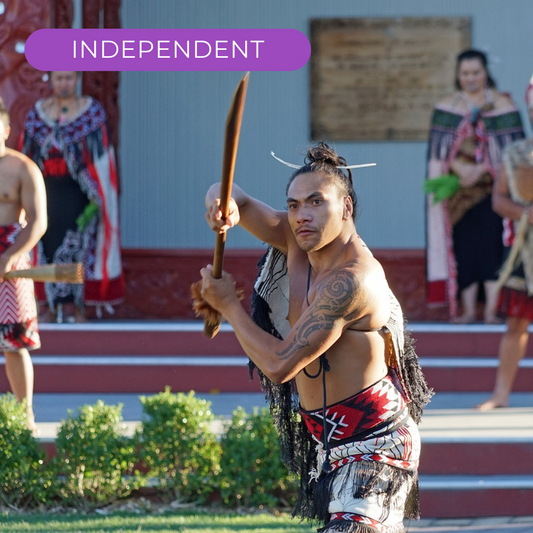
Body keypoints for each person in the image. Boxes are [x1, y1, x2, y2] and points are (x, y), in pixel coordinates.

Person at [198, 143, 432, 532]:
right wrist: (222, 203)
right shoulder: (297, 240)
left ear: (346, 208)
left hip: (377, 444)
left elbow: (278, 365)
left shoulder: (352, 280)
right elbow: (230, 193)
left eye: (315, 202)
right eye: (292, 205)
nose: (301, 216)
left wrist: (229, 307)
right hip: (331, 444)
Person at [426, 49, 525, 323]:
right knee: (465, 250)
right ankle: (468, 311)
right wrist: (460, 168)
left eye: (476, 73)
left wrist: (482, 168)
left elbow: (514, 150)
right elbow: (438, 153)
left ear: (485, 73)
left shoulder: (503, 105)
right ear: (458, 76)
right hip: (457, 193)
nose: (470, 78)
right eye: (465, 73)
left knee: (492, 248)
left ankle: (492, 311)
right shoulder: (447, 106)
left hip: (494, 192)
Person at [19, 71, 124, 323]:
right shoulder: (37, 115)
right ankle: (46, 305)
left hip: (79, 195)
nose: (63, 83)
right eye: (58, 78)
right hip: (46, 193)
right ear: (50, 80)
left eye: (68, 78)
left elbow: (102, 159)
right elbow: (27, 156)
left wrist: (97, 198)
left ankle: (74, 306)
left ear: (76, 79)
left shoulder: (91, 113)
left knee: (76, 247)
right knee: (45, 245)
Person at [477, 76, 533, 411]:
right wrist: (526, 212)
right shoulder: (515, 153)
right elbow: (499, 201)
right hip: (522, 253)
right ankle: (500, 395)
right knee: (515, 324)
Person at [0, 98, 47, 431]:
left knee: (13, 342)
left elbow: (37, 221)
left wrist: (11, 255)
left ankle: (24, 415)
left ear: (5, 129)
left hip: (10, 252)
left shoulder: (23, 168)